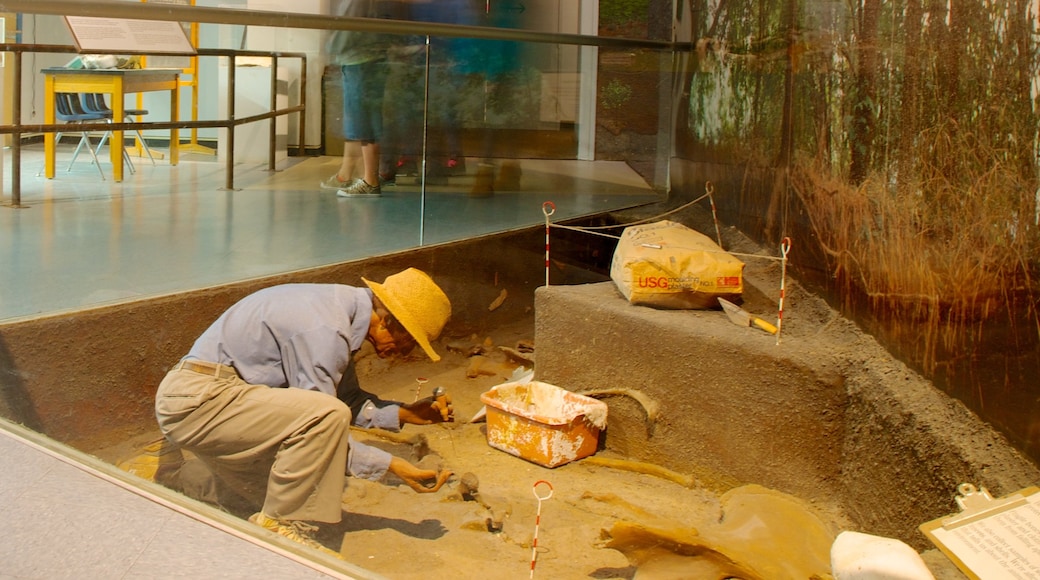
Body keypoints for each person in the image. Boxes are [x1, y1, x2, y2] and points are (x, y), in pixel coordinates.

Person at [154, 268, 454, 558]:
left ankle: (173, 475)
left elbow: (345, 399)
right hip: (200, 400)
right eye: (409, 342)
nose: (405, 353)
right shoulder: (326, 328)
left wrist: (407, 414)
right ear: (389, 322)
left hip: (211, 403)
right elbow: (322, 423)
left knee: (273, 493)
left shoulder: (340, 314)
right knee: (312, 463)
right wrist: (390, 465)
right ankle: (280, 525)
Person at [321, 0, 402, 198]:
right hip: (369, 60)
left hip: (360, 61)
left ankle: (370, 180)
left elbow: (347, 30)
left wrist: (330, 47)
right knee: (361, 119)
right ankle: (351, 174)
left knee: (363, 120)